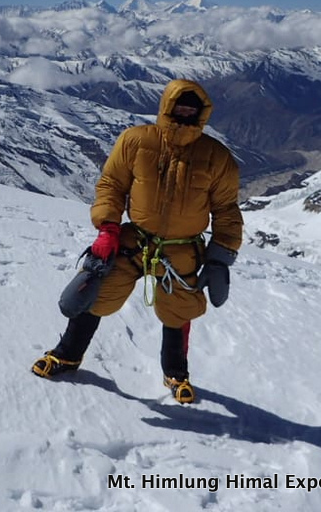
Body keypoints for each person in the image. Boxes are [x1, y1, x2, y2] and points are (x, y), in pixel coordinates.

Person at [31, 79, 243, 403]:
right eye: (180, 106)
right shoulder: (135, 141)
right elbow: (112, 185)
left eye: (192, 108)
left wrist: (220, 258)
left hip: (182, 249)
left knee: (178, 310)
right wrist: (108, 228)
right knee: (96, 293)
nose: (185, 113)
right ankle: (67, 355)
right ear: (167, 107)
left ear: (202, 113)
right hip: (134, 241)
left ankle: (176, 375)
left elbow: (226, 211)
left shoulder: (217, 158)